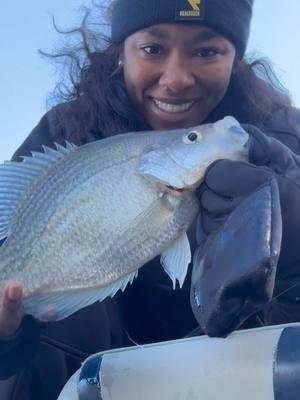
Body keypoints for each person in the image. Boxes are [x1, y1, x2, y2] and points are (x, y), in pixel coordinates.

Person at [1, 0, 300, 399]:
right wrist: (9, 338)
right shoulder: (66, 131)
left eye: (207, 51)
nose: (176, 79)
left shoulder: (283, 139)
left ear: (236, 60)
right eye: (153, 49)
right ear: (121, 53)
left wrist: (293, 247)